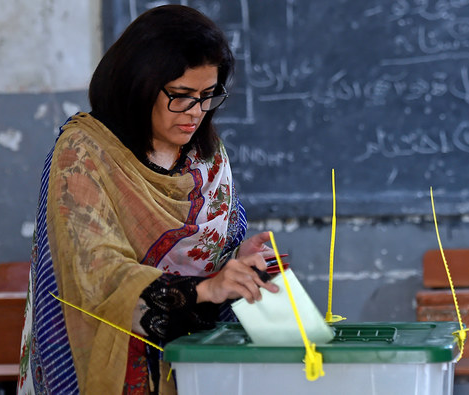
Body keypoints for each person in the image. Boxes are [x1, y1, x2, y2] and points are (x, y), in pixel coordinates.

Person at [18, 5, 278, 394]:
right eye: (181, 95)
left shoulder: (206, 155)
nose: (196, 113)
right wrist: (204, 290)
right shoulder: (84, 153)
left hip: (195, 364)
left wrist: (238, 261)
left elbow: (213, 254)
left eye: (208, 96)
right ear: (138, 84)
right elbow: (97, 274)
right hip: (109, 364)